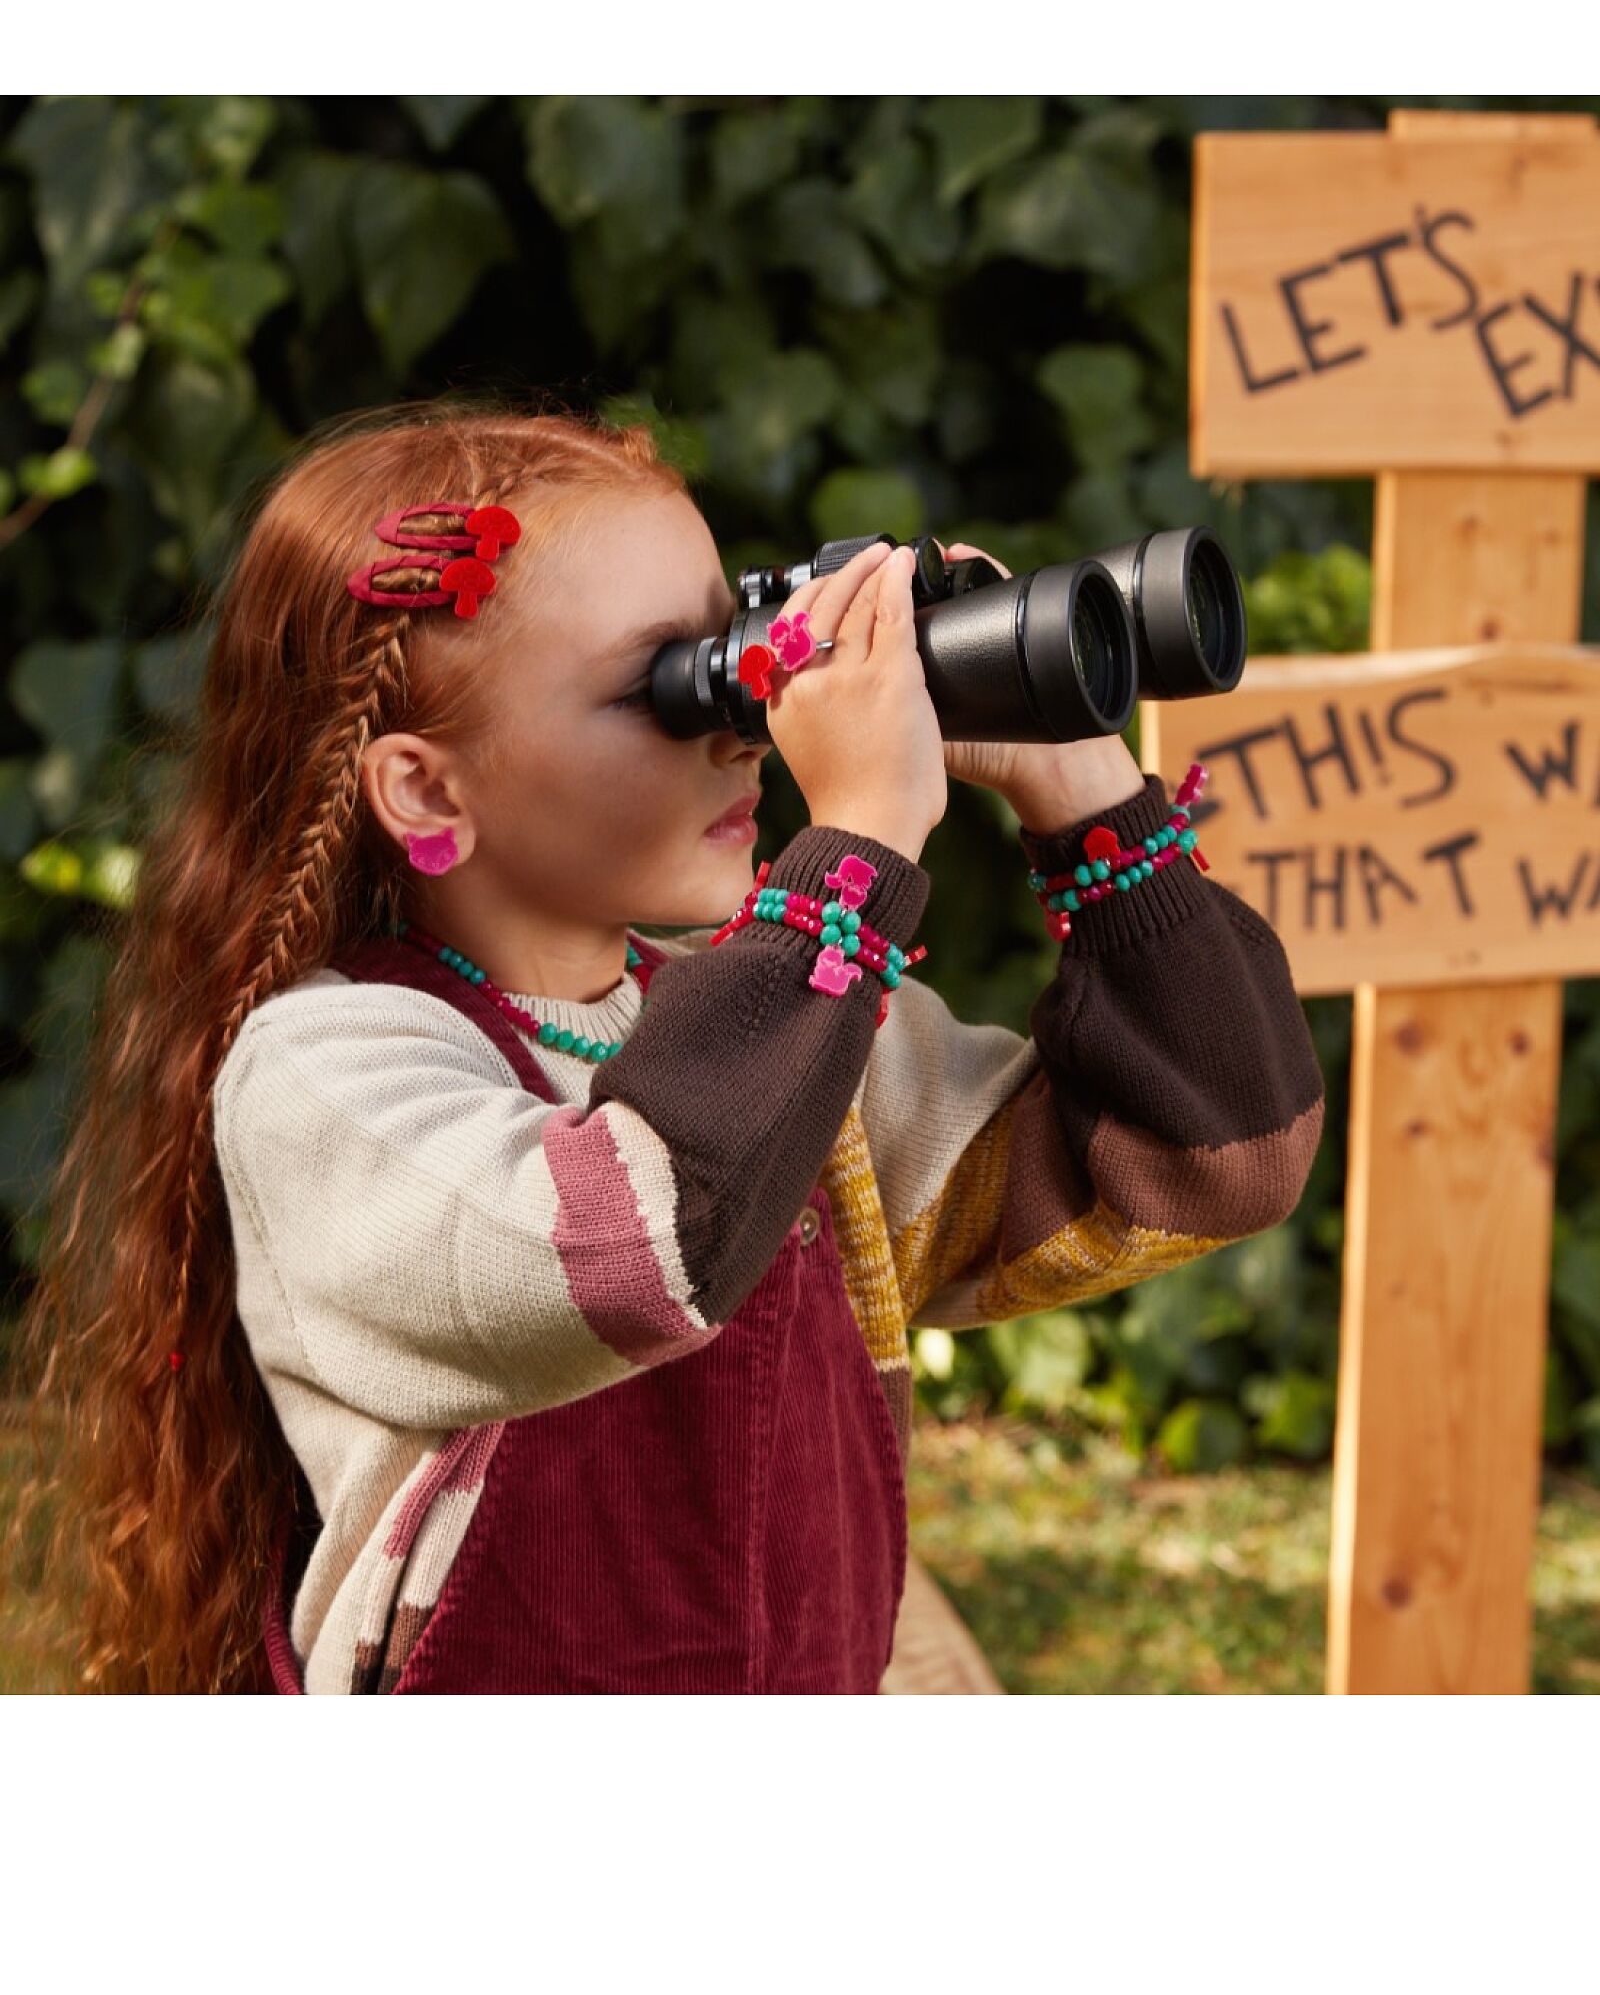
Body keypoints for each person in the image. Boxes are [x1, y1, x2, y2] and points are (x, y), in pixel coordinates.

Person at [5, 398, 1325, 1694]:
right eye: (671, 683)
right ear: (425, 788)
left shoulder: (803, 1033)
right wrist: (857, 837)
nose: (742, 722)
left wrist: (1077, 778)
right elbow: (643, 1247)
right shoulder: (327, 1075)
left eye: (740, 653)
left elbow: (1211, 1154)